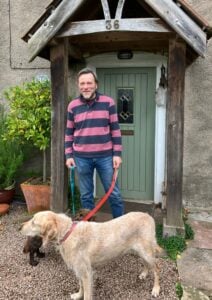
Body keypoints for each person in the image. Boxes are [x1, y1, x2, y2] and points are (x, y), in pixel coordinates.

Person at [65, 67, 124, 218]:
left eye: (89, 83)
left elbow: (115, 131)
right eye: (82, 83)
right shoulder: (73, 106)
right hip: (81, 158)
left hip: (105, 157)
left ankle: (121, 228)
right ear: (78, 85)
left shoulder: (108, 103)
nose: (85, 86)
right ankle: (88, 230)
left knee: (114, 194)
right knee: (86, 196)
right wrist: (69, 155)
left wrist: (117, 154)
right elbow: (69, 133)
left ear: (96, 84)